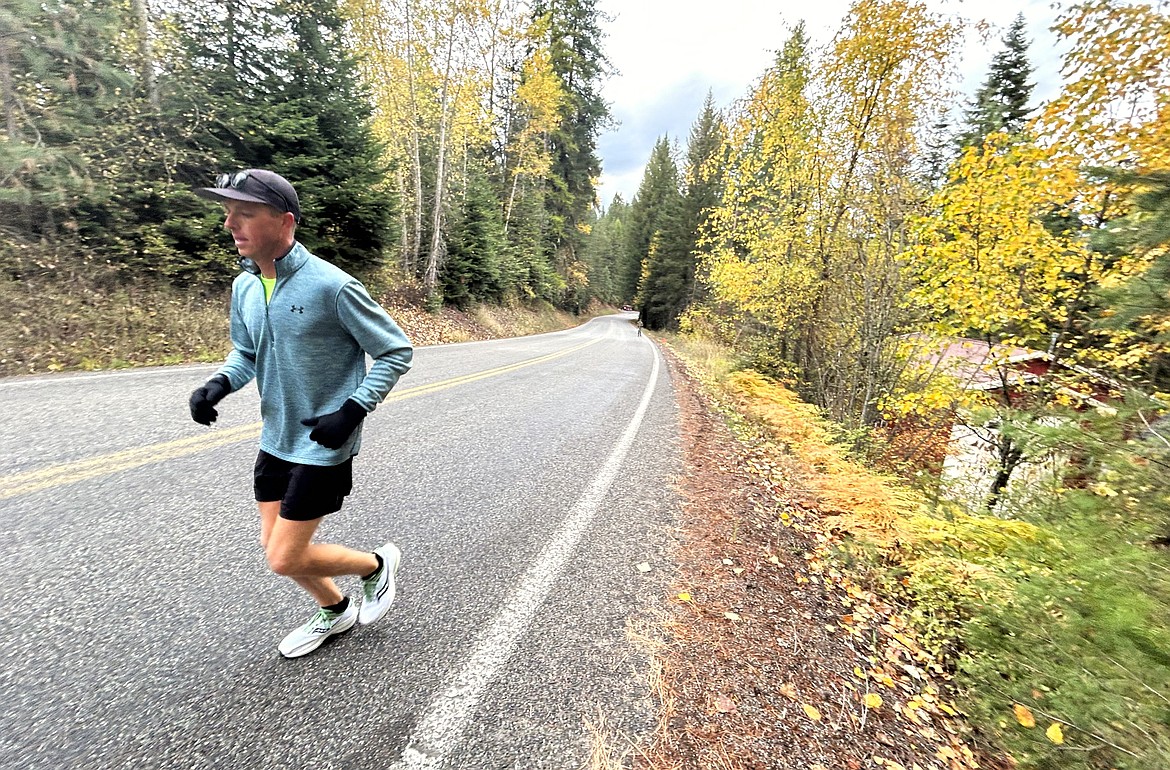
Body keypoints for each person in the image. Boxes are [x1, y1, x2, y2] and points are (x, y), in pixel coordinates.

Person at [188, 169, 414, 658]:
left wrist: (352, 410)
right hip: (276, 436)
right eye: (228, 213)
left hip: (324, 441)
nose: (230, 224)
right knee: (280, 553)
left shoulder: (331, 287)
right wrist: (217, 384)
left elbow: (396, 351)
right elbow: (246, 352)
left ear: (284, 222)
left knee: (283, 556)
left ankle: (376, 566)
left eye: (244, 214)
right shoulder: (245, 286)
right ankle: (336, 610)